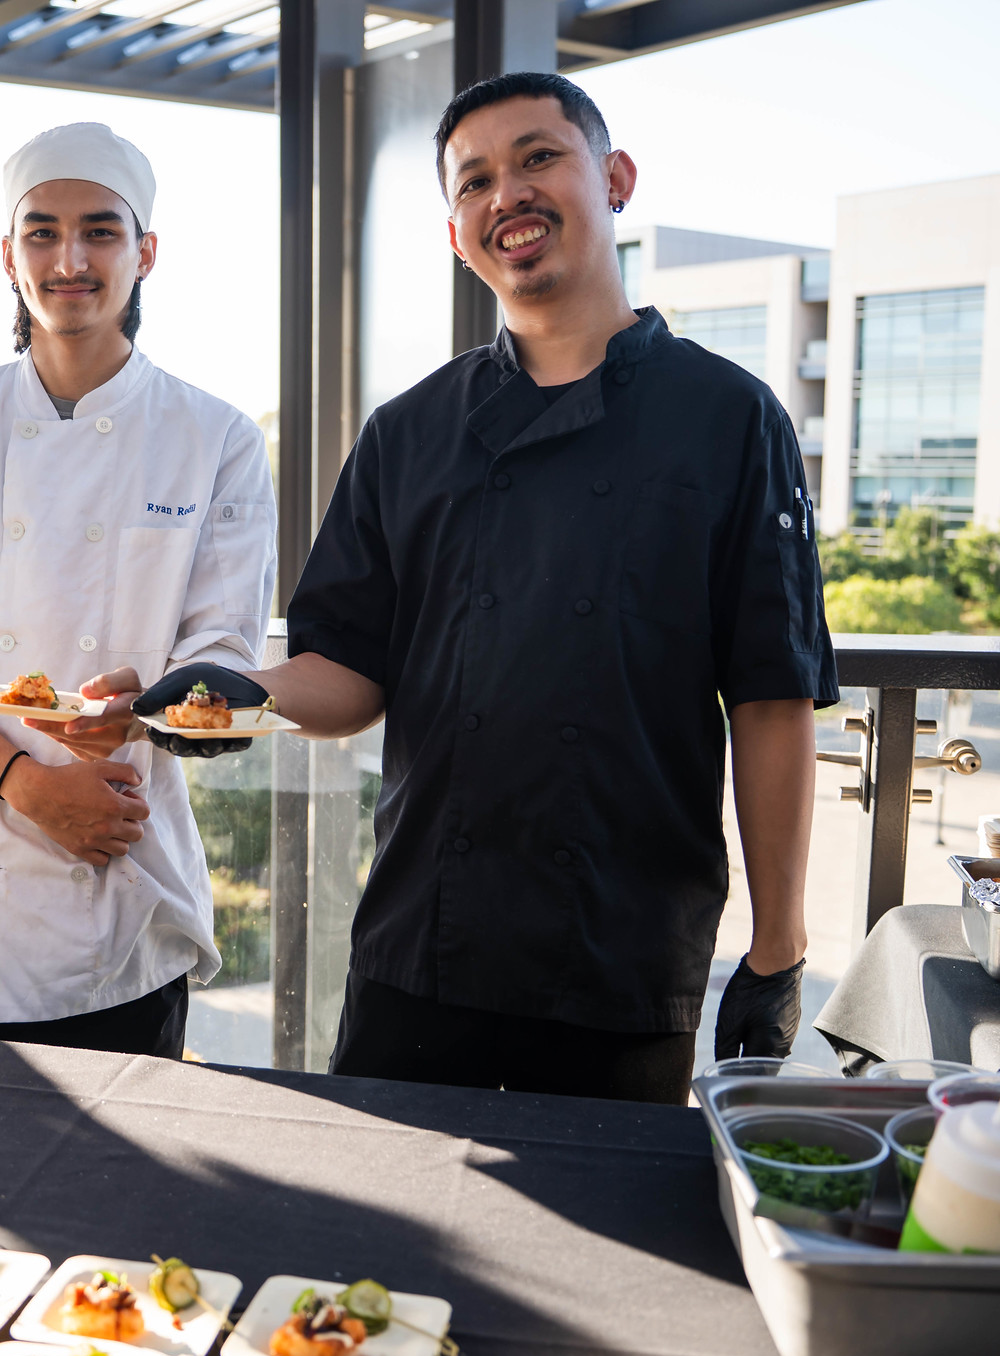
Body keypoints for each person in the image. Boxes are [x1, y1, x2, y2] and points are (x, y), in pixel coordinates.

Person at [137, 73, 838, 1103]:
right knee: (373, 1239)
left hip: (620, 950)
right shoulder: (408, 431)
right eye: (473, 181)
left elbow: (772, 699)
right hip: (420, 940)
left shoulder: (729, 419)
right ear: (455, 233)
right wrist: (231, 694)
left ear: (614, 179)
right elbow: (348, 669)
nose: (504, 192)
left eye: (537, 158)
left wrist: (776, 950)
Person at [0, 123, 278, 1059]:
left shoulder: (218, 439)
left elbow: (224, 659)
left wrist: (147, 705)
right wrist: (28, 784)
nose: (68, 259)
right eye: (40, 232)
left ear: (145, 252)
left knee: (117, 1203)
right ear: (8, 255)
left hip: (119, 892)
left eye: (100, 232)